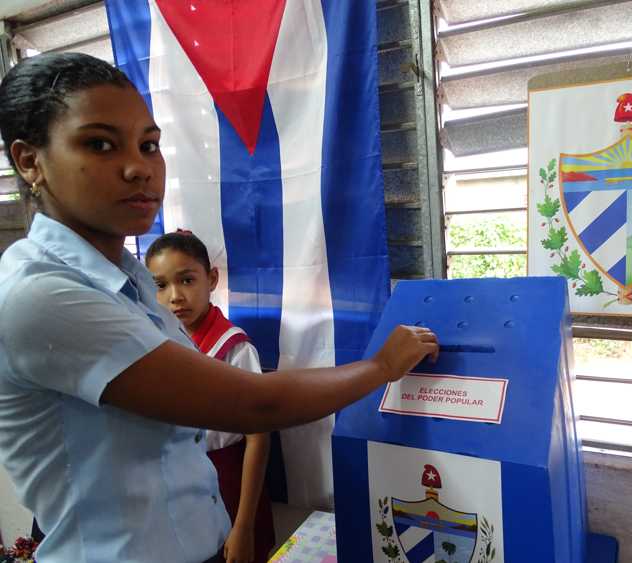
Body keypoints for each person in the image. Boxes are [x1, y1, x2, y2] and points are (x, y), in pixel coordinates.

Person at [0, 52, 438, 563]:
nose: (138, 168)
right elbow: (254, 405)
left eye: (149, 145)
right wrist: (382, 367)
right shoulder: (42, 295)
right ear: (31, 160)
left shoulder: (129, 281)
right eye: (99, 144)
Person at [145, 231, 275, 563]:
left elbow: (258, 440)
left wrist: (243, 526)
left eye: (186, 280)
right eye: (160, 286)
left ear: (212, 278)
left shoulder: (235, 348)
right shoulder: (158, 346)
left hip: (231, 481)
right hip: (181, 485)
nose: (175, 297)